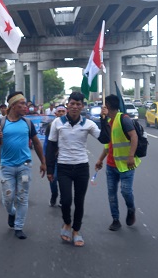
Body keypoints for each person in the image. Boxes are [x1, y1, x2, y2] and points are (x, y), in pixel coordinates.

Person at [46, 92, 110, 247]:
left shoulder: (88, 124)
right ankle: (67, 222)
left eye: (78, 104)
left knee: (79, 201)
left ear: (82, 106)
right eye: (72, 103)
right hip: (63, 167)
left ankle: (76, 230)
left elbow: (105, 139)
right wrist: (49, 169)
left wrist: (104, 119)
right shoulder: (57, 122)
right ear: (68, 104)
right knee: (66, 200)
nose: (75, 107)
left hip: (81, 166)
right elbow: (51, 146)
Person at [0, 91, 46, 239]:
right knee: (8, 198)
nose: (25, 106)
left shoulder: (27, 123)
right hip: (7, 167)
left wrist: (43, 162)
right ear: (14, 106)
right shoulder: (0, 123)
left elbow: (36, 142)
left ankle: (19, 226)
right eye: (22, 104)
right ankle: (12, 212)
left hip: (25, 167)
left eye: (25, 103)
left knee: (23, 196)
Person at [94, 94, 139, 232]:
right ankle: (115, 220)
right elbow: (108, 144)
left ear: (108, 106)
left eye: (104, 104)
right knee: (111, 194)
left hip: (126, 165)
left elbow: (134, 136)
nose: (102, 107)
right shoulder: (108, 122)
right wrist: (100, 160)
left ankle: (131, 209)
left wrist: (131, 156)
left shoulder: (123, 119)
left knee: (126, 192)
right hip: (111, 165)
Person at [43, 104, 67, 207]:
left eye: (63, 111)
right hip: (53, 157)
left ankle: (63, 198)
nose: (61, 113)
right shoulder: (50, 125)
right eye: (59, 111)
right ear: (55, 113)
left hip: (65, 157)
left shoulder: (69, 125)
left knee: (63, 179)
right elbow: (46, 143)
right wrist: (44, 157)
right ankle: (54, 194)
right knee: (53, 178)